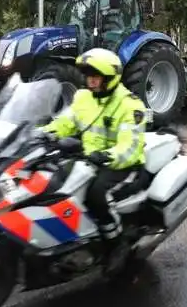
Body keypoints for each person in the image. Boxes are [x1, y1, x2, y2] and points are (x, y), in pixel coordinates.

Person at [37, 48, 148, 273]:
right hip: (89, 159)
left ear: (110, 78)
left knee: (96, 194)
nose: (91, 82)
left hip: (121, 164)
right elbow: (66, 122)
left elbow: (130, 148)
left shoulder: (130, 105)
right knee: (55, 184)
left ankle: (118, 245)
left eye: (95, 77)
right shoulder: (83, 97)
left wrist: (106, 156)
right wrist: (42, 134)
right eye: (88, 77)